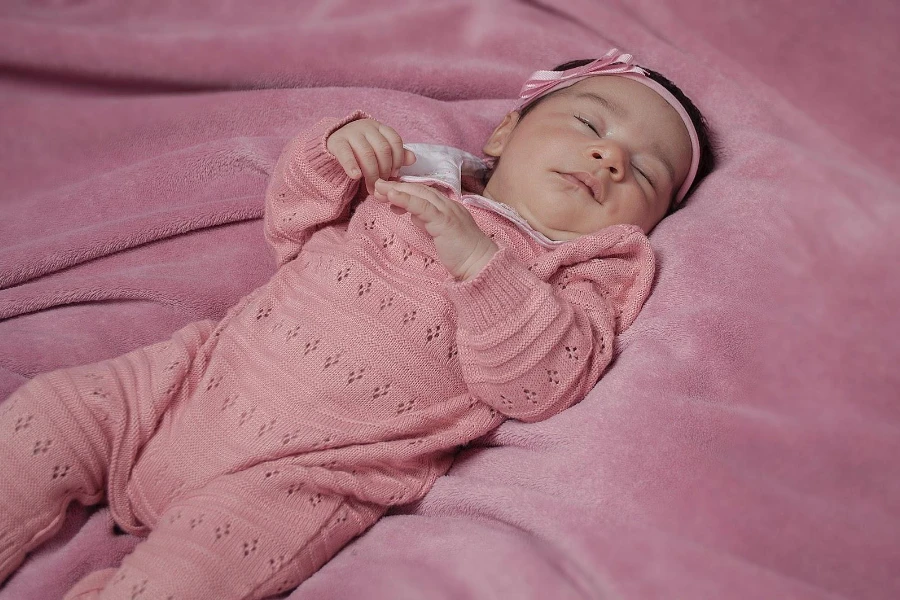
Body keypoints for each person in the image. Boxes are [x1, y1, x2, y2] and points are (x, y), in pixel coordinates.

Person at [0, 49, 714, 599]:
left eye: (644, 174)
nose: (610, 157)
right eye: (590, 124)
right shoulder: (415, 171)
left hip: (309, 474)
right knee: (51, 415)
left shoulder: (584, 273)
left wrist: (480, 264)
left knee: (194, 575)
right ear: (507, 129)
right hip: (188, 382)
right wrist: (334, 151)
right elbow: (294, 223)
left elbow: (543, 384)